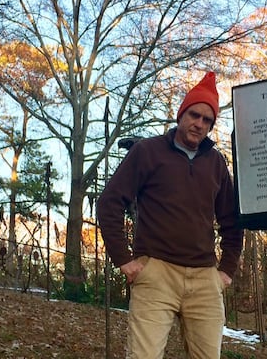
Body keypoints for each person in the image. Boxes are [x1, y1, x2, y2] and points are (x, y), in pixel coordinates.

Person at [98, 71, 244, 358]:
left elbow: (231, 219)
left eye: (207, 120)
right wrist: (124, 260)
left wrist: (226, 269)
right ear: (181, 115)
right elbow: (110, 202)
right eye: (194, 115)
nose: (198, 124)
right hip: (157, 273)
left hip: (205, 277)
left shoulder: (215, 163)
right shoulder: (147, 152)